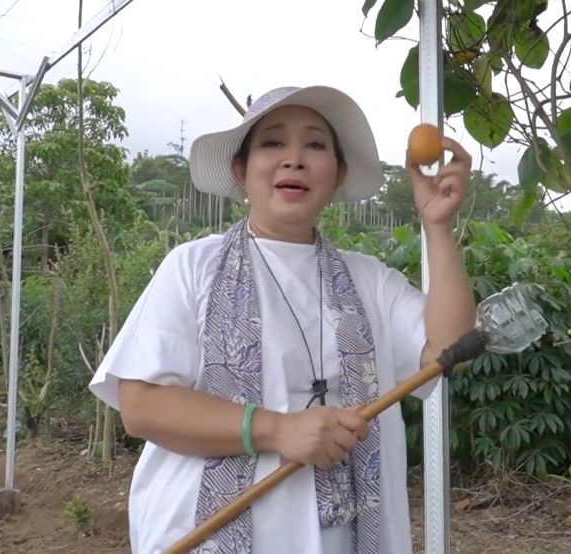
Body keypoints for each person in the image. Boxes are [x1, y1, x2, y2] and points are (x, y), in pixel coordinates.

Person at [88, 85, 477, 554]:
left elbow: (449, 351)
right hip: (199, 537)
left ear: (338, 176)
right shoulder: (193, 267)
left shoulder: (369, 282)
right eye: (273, 143)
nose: (294, 158)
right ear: (241, 169)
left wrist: (437, 225)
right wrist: (278, 430)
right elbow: (141, 406)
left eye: (315, 145)